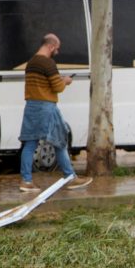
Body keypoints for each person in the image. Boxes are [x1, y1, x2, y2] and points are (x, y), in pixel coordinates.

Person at [19, 33, 91, 192]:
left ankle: (26, 181)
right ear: (51, 46)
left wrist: (56, 79)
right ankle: (70, 177)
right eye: (56, 49)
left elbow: (43, 84)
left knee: (30, 143)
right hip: (47, 107)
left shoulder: (31, 63)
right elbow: (57, 87)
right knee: (60, 141)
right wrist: (65, 81)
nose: (57, 52)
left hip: (31, 105)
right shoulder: (48, 63)